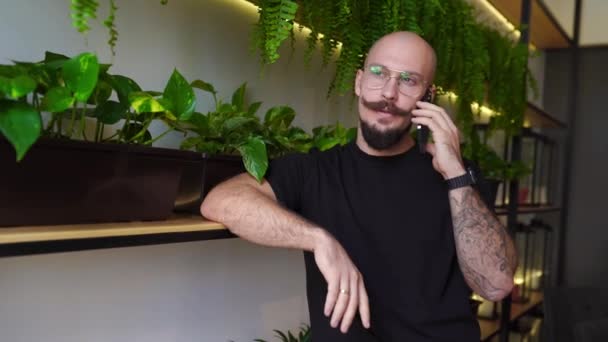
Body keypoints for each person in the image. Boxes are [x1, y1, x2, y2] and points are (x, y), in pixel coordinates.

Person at [201, 31, 517, 341]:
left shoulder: (459, 179)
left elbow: (496, 285)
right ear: (358, 81)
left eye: (408, 80)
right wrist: (320, 240)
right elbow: (221, 201)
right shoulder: (315, 171)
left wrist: (455, 174)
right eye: (379, 73)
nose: (389, 93)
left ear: (428, 97)